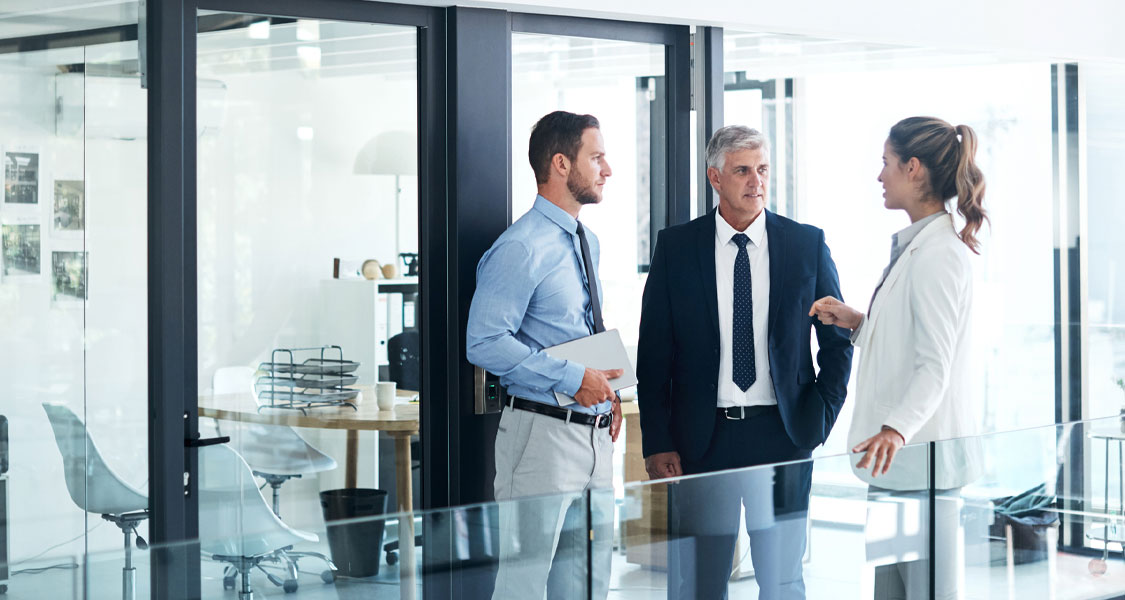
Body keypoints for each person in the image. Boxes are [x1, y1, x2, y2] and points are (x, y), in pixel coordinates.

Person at [637, 125, 853, 600]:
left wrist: (819, 416)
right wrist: (657, 440)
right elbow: (653, 355)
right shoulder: (676, 248)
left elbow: (837, 342)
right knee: (698, 584)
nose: (756, 181)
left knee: (781, 581)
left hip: (782, 436)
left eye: (763, 169)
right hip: (700, 442)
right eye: (742, 171)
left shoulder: (806, 244)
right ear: (715, 177)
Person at [810, 116, 987, 599]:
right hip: (899, 468)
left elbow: (935, 365)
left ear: (913, 168)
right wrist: (858, 322)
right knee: (890, 592)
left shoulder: (939, 255)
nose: (879, 175)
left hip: (921, 465)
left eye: (886, 162)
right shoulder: (919, 247)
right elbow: (909, 342)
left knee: (926, 591)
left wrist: (895, 430)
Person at [466, 110, 623, 600]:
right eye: (596, 158)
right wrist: (574, 378)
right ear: (560, 164)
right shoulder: (520, 247)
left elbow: (575, 329)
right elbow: (484, 340)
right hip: (541, 437)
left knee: (590, 583)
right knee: (523, 585)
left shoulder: (587, 241)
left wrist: (608, 392)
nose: (607, 169)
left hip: (595, 436)